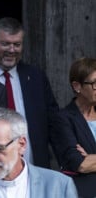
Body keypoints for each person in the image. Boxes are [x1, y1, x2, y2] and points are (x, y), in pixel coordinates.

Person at [0, 17, 59, 168]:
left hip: (32, 171)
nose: (12, 50)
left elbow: (54, 123)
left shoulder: (35, 77)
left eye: (17, 44)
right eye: (5, 44)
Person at [51, 57, 96, 198]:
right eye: (95, 83)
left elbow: (88, 163)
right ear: (77, 86)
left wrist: (91, 158)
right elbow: (80, 164)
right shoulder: (63, 119)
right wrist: (85, 161)